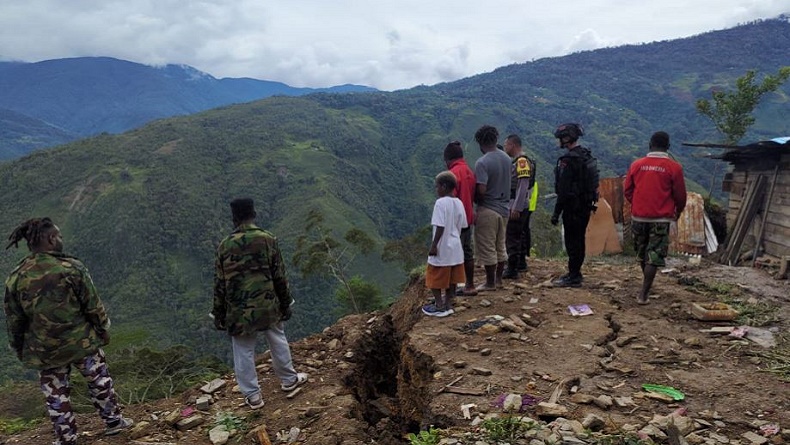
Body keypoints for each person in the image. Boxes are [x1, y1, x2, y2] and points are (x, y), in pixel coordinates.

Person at [4, 217, 133, 445]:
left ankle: (66, 438)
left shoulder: (16, 277)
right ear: (51, 239)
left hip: (45, 350)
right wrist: (103, 329)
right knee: (99, 380)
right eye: (59, 236)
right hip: (81, 341)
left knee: (56, 394)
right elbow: (92, 305)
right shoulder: (71, 268)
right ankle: (114, 422)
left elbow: (15, 320)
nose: (61, 239)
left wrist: (18, 347)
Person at [212, 198, 308, 410]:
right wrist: (286, 303)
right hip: (267, 304)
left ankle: (253, 396)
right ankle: (289, 380)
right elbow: (279, 276)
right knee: (277, 338)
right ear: (253, 214)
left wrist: (218, 313)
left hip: (239, 310)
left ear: (234, 218)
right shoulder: (267, 239)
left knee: (243, 349)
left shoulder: (225, 245)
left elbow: (220, 283)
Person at [624, 131, 687, 304]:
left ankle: (646, 287)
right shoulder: (674, 168)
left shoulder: (637, 165)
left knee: (642, 253)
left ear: (650, 145)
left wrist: (638, 203)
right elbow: (680, 196)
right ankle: (644, 294)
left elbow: (627, 190)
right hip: (660, 219)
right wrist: (678, 211)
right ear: (668, 147)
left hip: (638, 217)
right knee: (654, 255)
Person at [551, 123, 599, 287]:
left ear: (566, 138)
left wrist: (556, 213)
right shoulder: (586, 155)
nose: (559, 141)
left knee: (572, 242)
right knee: (579, 240)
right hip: (586, 205)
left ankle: (574, 275)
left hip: (572, 207)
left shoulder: (569, 160)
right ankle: (575, 272)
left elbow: (563, 190)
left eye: (561, 138)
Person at [423, 171, 468, 317]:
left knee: (434, 275)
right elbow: (463, 225)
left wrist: (434, 245)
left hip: (443, 245)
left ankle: (439, 305)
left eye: (437, 187)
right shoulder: (459, 202)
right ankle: (448, 304)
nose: (436, 190)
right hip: (455, 245)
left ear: (443, 186)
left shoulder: (440, 203)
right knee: (452, 277)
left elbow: (440, 226)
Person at [473, 125, 512, 291]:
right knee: (500, 245)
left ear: (480, 142)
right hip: (504, 208)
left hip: (488, 208)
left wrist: (473, 198)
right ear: (496, 139)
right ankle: (498, 280)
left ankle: (489, 283)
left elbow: (482, 189)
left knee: (487, 246)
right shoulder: (507, 159)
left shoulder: (482, 162)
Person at [443, 141, 478, 296]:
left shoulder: (452, 174)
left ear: (448, 159)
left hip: (455, 222)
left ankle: (451, 290)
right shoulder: (469, 171)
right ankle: (470, 285)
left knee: (452, 254)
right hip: (468, 218)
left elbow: (449, 200)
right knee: (467, 252)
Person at [502, 134, 536, 278]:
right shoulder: (518, 161)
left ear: (513, 145)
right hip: (519, 203)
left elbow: (523, 185)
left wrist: (517, 207)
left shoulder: (521, 161)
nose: (505, 148)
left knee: (512, 236)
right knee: (519, 235)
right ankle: (520, 263)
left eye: (506, 145)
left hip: (517, 204)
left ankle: (512, 269)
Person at [518, 180, 539, 271]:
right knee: (525, 229)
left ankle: (523, 255)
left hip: (526, 202)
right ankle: (526, 253)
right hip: (530, 201)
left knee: (522, 230)